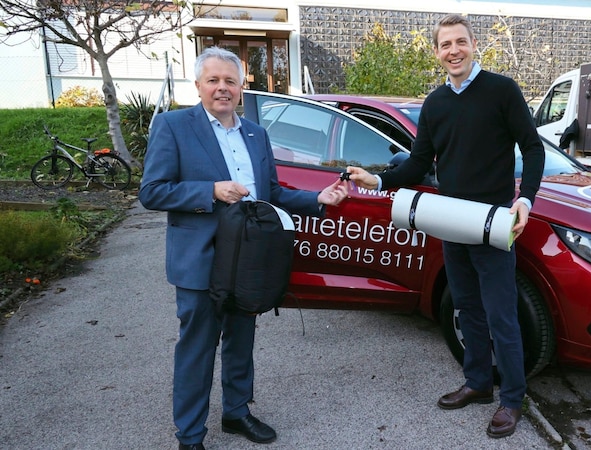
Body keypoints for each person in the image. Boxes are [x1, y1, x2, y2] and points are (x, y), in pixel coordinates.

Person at [346, 14, 545, 438]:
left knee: (501, 315)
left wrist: (524, 197)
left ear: (474, 45)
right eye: (445, 44)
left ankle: (512, 398)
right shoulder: (434, 104)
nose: (453, 50)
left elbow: (532, 147)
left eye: (460, 42)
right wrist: (378, 179)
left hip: (492, 225)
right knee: (466, 308)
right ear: (436, 52)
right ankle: (477, 383)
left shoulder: (502, 91)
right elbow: (419, 163)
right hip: (453, 222)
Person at [139, 46, 348, 450]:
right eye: (213, 80)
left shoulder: (256, 133)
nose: (222, 88)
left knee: (241, 340)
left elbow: (271, 191)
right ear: (198, 85)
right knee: (197, 348)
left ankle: (236, 412)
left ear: (240, 87)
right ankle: (190, 434)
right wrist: (210, 191)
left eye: (229, 81)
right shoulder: (173, 126)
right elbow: (151, 191)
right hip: (201, 260)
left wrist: (318, 199)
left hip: (248, 258)